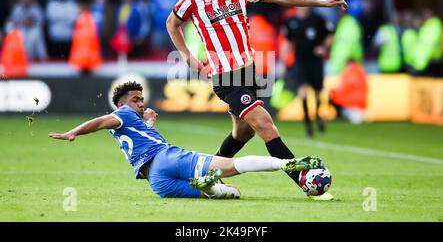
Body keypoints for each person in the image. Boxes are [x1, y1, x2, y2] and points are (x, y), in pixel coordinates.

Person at [166, 0, 346, 189]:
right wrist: (188, 57)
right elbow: (172, 23)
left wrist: (321, 3)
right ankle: (303, 180)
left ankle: (205, 177)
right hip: (226, 76)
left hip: (249, 72)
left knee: (243, 133)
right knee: (264, 124)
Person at [48, 81, 325, 199]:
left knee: (230, 193)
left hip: (157, 182)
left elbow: (136, 133)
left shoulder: (131, 121)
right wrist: (74, 131)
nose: (141, 103)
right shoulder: (121, 114)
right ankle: (286, 164)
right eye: (136, 100)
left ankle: (212, 186)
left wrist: (149, 122)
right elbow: (99, 122)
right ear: (121, 102)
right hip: (167, 158)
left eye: (142, 99)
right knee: (233, 166)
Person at [280, 0, 335, 137]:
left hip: (315, 61)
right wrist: (284, 62)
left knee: (317, 92)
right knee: (303, 92)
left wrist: (323, 47)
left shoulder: (318, 19)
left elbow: (330, 35)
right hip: (300, 61)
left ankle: (317, 114)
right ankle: (308, 124)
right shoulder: (291, 21)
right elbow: (287, 41)